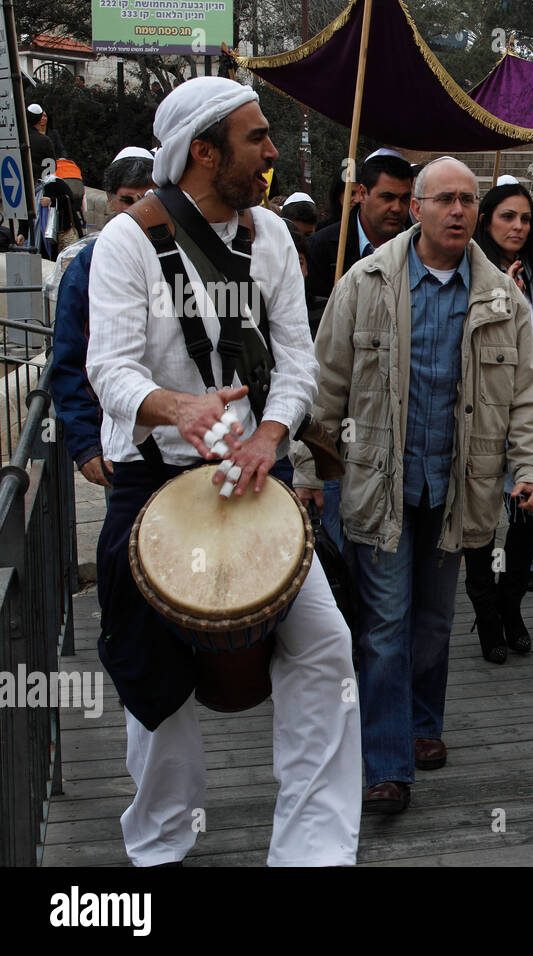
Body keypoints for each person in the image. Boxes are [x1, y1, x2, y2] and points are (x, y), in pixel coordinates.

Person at [85, 77, 362, 866]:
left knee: (325, 647)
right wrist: (178, 407)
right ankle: (161, 845)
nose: (272, 150)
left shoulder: (271, 237)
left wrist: (270, 433)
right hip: (153, 486)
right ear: (202, 153)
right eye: (256, 137)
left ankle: (312, 849)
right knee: (154, 681)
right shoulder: (127, 243)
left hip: (251, 476)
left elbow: (299, 362)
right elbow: (108, 368)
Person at [292, 156, 533, 814]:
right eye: (445, 199)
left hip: (457, 489)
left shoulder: (503, 299)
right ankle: (387, 764)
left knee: (435, 622)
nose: (459, 210)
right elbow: (325, 388)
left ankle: (422, 724)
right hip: (376, 486)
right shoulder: (367, 284)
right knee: (384, 625)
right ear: (418, 208)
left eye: (469, 199)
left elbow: (525, 396)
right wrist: (309, 474)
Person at [461, 180, 533, 663]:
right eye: (507, 216)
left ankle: (510, 607)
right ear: (486, 221)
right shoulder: (470, 278)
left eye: (525, 218)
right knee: (479, 531)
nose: (518, 226)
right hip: (481, 423)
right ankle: (485, 616)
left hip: (527, 420)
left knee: (526, 526)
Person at [49, 149, 155, 490]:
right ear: (110, 200)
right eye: (128, 199)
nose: (137, 208)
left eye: (147, 198)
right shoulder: (87, 267)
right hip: (121, 444)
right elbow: (71, 357)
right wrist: (86, 443)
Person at [305, 150, 413, 302]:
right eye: (387, 197)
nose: (396, 207)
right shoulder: (320, 248)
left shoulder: (420, 248)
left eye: (404, 198)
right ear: (362, 194)